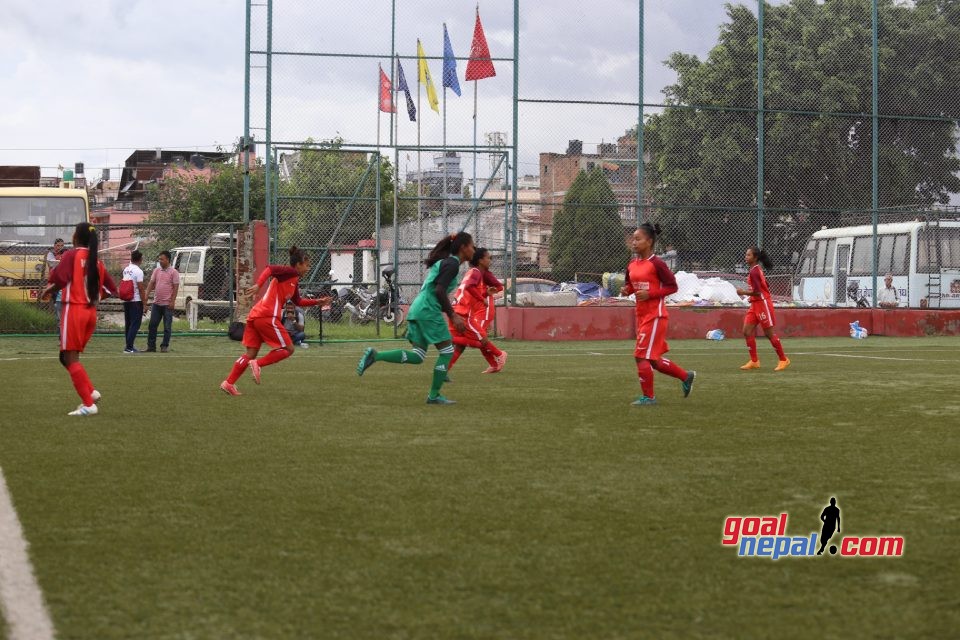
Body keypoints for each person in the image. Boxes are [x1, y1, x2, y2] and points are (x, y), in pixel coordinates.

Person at [356, 232, 475, 405]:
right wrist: (453, 315)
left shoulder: (444, 262)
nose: (474, 249)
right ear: (463, 248)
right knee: (447, 351)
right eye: (472, 245)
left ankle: (376, 355)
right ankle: (434, 395)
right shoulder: (452, 264)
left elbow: (436, 290)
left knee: (418, 355)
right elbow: (439, 291)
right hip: (428, 310)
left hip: (418, 308)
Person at [219, 247, 326, 395]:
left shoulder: (294, 280)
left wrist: (317, 301)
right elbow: (270, 268)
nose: (308, 268)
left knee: (250, 353)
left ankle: (228, 383)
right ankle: (258, 364)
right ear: (298, 264)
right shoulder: (290, 272)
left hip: (257, 316)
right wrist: (258, 285)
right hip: (267, 316)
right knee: (289, 349)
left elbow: (298, 301)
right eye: (307, 265)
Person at [40, 223, 117, 416]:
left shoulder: (71, 255)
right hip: (90, 313)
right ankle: (91, 392)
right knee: (65, 357)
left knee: (69, 358)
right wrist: (94, 297)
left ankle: (89, 404)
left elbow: (59, 278)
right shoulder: (96, 261)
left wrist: (49, 289)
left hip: (74, 310)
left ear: (76, 237)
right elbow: (111, 288)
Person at [620, 223, 695, 406]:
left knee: (640, 356)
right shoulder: (632, 265)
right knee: (653, 360)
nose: (634, 242)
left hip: (655, 316)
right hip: (642, 315)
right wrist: (626, 290)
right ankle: (686, 376)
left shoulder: (657, 264)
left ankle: (649, 398)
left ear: (649, 241)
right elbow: (631, 286)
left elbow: (672, 287)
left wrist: (650, 294)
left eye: (638, 239)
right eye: (633, 239)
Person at [446, 247, 507, 375]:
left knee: (477, 341)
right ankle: (498, 355)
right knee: (477, 341)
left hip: (460, 310)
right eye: (488, 258)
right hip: (462, 311)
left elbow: (496, 287)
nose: (490, 260)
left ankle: (498, 356)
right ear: (480, 260)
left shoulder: (474, 272)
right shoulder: (476, 272)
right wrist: (483, 296)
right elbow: (470, 287)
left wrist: (484, 294)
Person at [736, 246, 790, 371]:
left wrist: (742, 292)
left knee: (768, 333)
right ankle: (754, 361)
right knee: (746, 331)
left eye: (748, 255)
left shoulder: (755, 271)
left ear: (755, 258)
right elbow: (763, 285)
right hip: (755, 304)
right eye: (746, 255)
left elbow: (757, 292)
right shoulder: (755, 270)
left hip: (762, 304)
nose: (746, 257)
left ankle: (783, 359)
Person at [144, 250, 180, 353]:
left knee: (167, 327)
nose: (160, 261)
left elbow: (175, 288)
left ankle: (164, 346)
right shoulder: (156, 271)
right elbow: (151, 284)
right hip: (156, 304)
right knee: (152, 325)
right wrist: (145, 298)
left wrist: (172, 301)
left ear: (168, 260)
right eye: (159, 259)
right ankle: (151, 346)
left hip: (167, 304)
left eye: (162, 259)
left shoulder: (174, 272)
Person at [121, 250, 147, 353]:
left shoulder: (126, 269)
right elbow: (141, 288)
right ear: (140, 259)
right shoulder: (138, 271)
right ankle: (129, 347)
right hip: (136, 300)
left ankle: (128, 345)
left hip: (127, 300)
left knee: (128, 323)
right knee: (135, 324)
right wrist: (145, 304)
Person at [45, 238, 65, 328]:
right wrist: (62, 262)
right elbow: (52, 264)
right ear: (54, 246)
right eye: (58, 245)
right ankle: (59, 326)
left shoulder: (66, 252)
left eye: (61, 245)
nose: (60, 247)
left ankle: (63, 325)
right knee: (57, 304)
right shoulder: (51, 254)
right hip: (54, 282)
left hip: (64, 281)